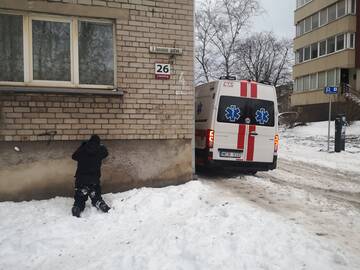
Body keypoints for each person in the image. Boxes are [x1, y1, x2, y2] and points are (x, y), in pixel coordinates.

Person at [71, 134, 110, 217]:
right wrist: (102, 146)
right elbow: (106, 153)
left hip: (81, 179)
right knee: (95, 195)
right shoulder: (100, 150)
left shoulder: (83, 149)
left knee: (80, 197)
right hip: (94, 179)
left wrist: (82, 146)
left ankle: (77, 207)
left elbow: (74, 156)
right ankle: (100, 204)